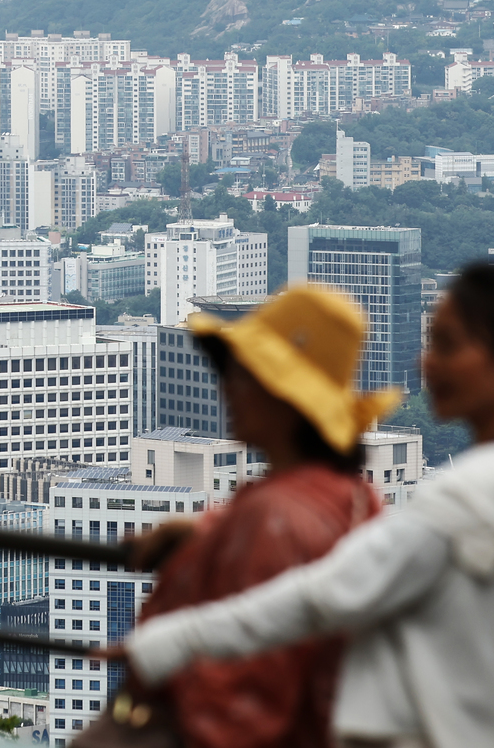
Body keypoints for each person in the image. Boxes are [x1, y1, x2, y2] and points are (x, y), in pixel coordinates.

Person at [117, 263, 494, 748]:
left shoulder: (467, 494)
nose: (426, 362)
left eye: (447, 344)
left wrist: (168, 644)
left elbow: (327, 593)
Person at [78, 285, 398, 748]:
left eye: (246, 377)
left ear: (289, 402)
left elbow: (243, 709)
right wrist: (208, 529)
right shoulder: (354, 497)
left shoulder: (274, 519)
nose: (227, 388)